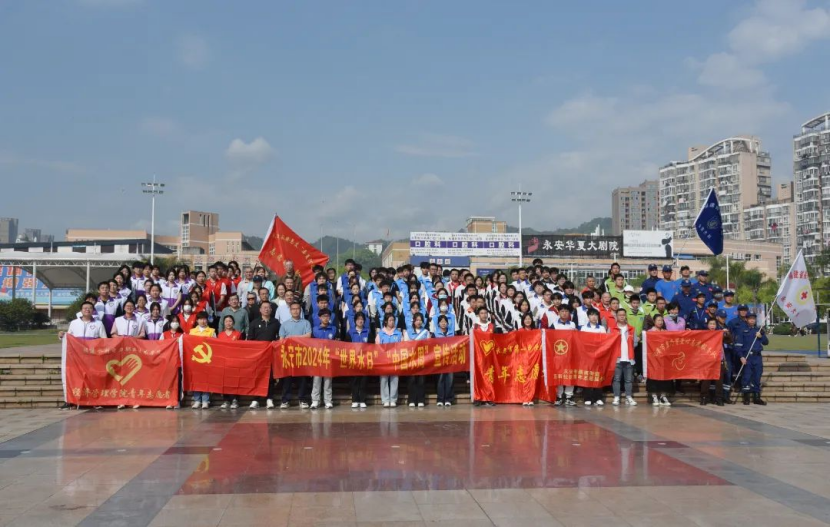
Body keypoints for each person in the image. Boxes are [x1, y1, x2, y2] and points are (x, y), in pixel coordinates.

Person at [247, 301, 285, 409]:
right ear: (260, 310)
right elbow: (250, 339)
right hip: (258, 355)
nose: (266, 309)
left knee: (270, 377)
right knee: (257, 376)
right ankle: (255, 399)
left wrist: (275, 342)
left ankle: (269, 398)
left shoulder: (276, 322)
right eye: (264, 307)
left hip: (271, 354)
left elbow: (280, 337)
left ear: (271, 310)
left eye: (268, 307)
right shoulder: (254, 323)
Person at [735, 312, 768, 406]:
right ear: (746, 319)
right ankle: (746, 398)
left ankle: (756, 397)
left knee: (757, 376)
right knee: (747, 376)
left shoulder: (759, 330)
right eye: (750, 318)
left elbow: (766, 342)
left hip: (757, 357)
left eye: (753, 318)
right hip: (747, 356)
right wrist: (741, 356)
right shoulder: (742, 330)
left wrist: (761, 336)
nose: (752, 320)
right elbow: (738, 346)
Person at [551, 305, 578, 407]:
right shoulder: (554, 325)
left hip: (571, 354)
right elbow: (550, 339)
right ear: (558, 312)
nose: (564, 313)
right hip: (558, 354)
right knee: (559, 375)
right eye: (562, 311)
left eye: (566, 311)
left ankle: (569, 396)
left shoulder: (572, 324)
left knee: (570, 374)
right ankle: (559, 396)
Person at [310, 309, 337, 410]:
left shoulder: (334, 329)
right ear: (319, 318)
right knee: (316, 380)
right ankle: (315, 400)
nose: (326, 318)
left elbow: (338, 343)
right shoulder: (314, 329)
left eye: (327, 316)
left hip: (329, 358)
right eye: (323, 316)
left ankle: (328, 401)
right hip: (317, 358)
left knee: (328, 380)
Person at [189, 312, 216, 410]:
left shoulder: (212, 331)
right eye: (200, 319)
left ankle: (205, 400)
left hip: (207, 359)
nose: (203, 321)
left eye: (204, 319)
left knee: (206, 380)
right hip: (195, 359)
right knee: (196, 379)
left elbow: (215, 345)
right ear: (197, 320)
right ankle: (197, 400)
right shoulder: (192, 331)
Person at [610, 308, 638, 407]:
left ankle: (628, 397)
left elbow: (635, 342)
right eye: (620, 315)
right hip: (617, 358)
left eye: (623, 315)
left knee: (628, 379)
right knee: (616, 379)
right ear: (616, 316)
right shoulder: (612, 329)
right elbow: (608, 343)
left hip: (629, 358)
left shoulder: (631, 329)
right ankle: (616, 397)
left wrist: (629, 346)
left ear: (626, 316)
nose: (622, 317)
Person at [377, 313, 405, 408]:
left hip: (395, 360)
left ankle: (393, 399)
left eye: (393, 320)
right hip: (383, 360)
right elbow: (377, 347)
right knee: (384, 379)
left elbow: (402, 346)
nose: (392, 322)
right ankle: (385, 399)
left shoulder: (398, 334)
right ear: (385, 321)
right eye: (390, 320)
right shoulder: (380, 334)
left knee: (394, 379)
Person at [646, 315, 673, 407]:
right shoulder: (650, 332)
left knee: (665, 378)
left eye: (661, 320)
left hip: (664, 359)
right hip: (653, 359)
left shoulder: (666, 332)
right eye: (658, 320)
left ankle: (663, 396)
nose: (660, 322)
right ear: (654, 321)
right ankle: (654, 396)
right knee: (653, 376)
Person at [580, 308, 606, 406]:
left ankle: (598, 397)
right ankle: (587, 397)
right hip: (587, 356)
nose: (594, 317)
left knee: (598, 376)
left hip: (599, 356)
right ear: (588, 317)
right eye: (591, 315)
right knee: (587, 376)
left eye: (595, 315)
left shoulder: (601, 328)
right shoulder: (584, 328)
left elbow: (604, 342)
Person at [218, 315, 243, 410]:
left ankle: (235, 399)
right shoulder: (220, 335)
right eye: (226, 321)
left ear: (233, 323)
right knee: (224, 381)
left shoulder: (238, 334)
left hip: (235, 361)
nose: (228, 323)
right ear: (224, 323)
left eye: (230, 321)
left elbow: (241, 347)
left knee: (234, 380)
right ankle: (226, 400)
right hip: (224, 361)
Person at [700, 318, 727, 407]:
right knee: (706, 380)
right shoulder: (704, 334)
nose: (712, 326)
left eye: (714, 324)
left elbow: (730, 340)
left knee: (719, 380)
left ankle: (719, 398)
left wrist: (727, 333)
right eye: (710, 324)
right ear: (707, 325)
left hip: (719, 359)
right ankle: (704, 397)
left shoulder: (720, 333)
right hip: (707, 360)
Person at [406, 313, 430, 408]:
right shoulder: (408, 332)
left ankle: (421, 400)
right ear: (414, 321)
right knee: (412, 380)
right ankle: (411, 400)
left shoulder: (426, 332)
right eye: (417, 320)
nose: (419, 322)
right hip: (411, 359)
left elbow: (429, 345)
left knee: (421, 380)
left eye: (420, 320)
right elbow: (405, 345)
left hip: (422, 359)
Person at [347, 311, 371, 409]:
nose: (360, 321)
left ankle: (362, 400)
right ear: (355, 321)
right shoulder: (350, 332)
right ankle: (355, 400)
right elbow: (346, 347)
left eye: (362, 319)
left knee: (364, 381)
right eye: (358, 319)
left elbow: (371, 346)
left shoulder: (368, 332)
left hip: (365, 360)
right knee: (355, 380)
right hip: (354, 360)